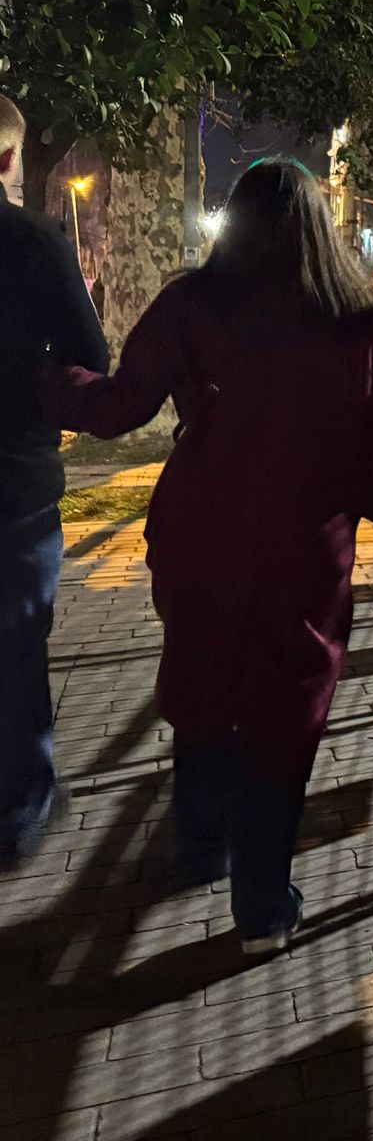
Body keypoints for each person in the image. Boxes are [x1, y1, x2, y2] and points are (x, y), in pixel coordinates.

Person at [43, 159, 373, 951]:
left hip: (202, 532)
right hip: (305, 549)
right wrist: (346, 508)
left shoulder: (191, 303)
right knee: (287, 708)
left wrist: (44, 380)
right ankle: (263, 906)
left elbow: (118, 406)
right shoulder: (360, 319)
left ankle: (201, 846)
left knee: (201, 678)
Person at [0, 94, 109, 869]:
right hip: (15, 479)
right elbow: (90, 356)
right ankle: (19, 806)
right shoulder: (35, 241)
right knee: (14, 644)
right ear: (9, 156)